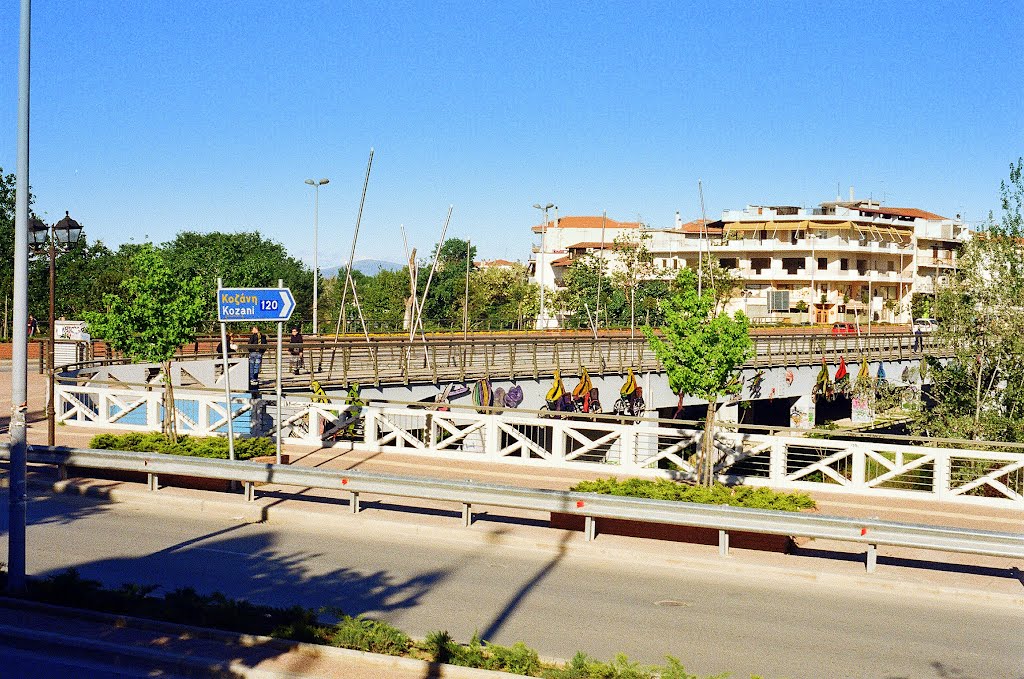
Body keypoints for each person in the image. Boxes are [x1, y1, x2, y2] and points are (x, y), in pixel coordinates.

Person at [247, 325, 267, 396]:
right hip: (259, 353)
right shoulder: (263, 336)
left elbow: (249, 344)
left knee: (251, 365)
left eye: (253, 329)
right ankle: (255, 378)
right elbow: (265, 345)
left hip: (253, 352)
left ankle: (252, 378)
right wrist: (262, 351)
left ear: (256, 329)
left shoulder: (253, 336)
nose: (252, 331)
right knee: (257, 366)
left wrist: (250, 350)